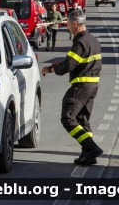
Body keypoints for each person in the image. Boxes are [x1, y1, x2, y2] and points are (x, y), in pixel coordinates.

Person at [41, 9, 103, 166]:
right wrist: (60, 64)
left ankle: (92, 147)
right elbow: (78, 62)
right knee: (83, 120)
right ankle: (88, 154)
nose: (67, 27)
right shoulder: (93, 40)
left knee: (68, 118)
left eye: (68, 25)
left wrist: (51, 69)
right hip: (92, 86)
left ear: (75, 24)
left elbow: (67, 66)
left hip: (81, 86)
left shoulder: (80, 41)